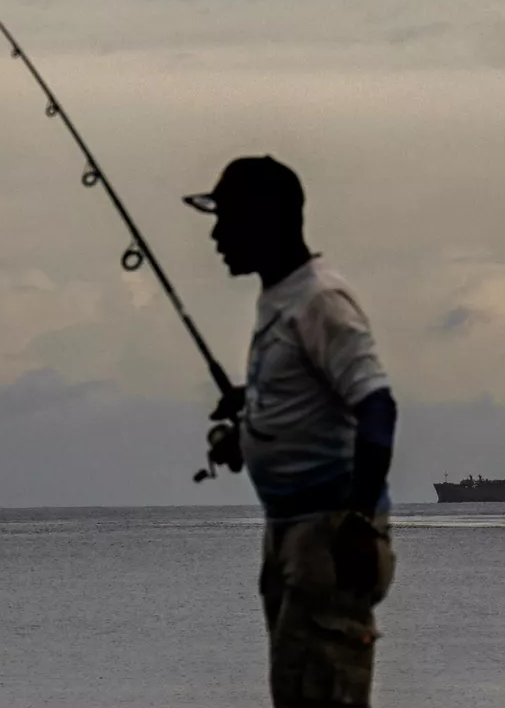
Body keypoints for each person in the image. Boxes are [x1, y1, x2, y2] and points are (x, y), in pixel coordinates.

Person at [185, 155, 400, 707]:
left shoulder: (320, 300)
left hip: (327, 531)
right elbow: (309, 400)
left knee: (324, 687)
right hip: (288, 531)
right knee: (298, 687)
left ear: (266, 220)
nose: (215, 234)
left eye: (226, 217)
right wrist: (251, 421)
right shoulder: (279, 300)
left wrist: (356, 519)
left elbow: (377, 405)